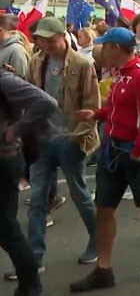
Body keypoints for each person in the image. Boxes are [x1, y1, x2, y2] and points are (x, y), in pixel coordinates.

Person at [70, 27, 140, 292]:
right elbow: (120, 108)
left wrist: (139, 151)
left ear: (116, 48)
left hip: (133, 152)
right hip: (114, 149)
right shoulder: (120, 74)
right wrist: (97, 114)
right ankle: (103, 269)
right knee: (104, 209)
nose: (101, 50)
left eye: (105, 46)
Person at [13, 18, 100, 280]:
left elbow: (92, 104)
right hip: (42, 139)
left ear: (64, 36)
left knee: (79, 193)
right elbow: (29, 96)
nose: (46, 45)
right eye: (42, 40)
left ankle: (97, 241)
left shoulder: (82, 65)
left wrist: (77, 137)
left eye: (51, 39)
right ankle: (34, 258)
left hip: (70, 138)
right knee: (37, 199)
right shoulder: (37, 62)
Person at [1, 68, 63, 296]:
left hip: (4, 159)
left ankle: (31, 284)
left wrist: (16, 129)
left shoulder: (4, 80)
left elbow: (47, 102)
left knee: (7, 228)